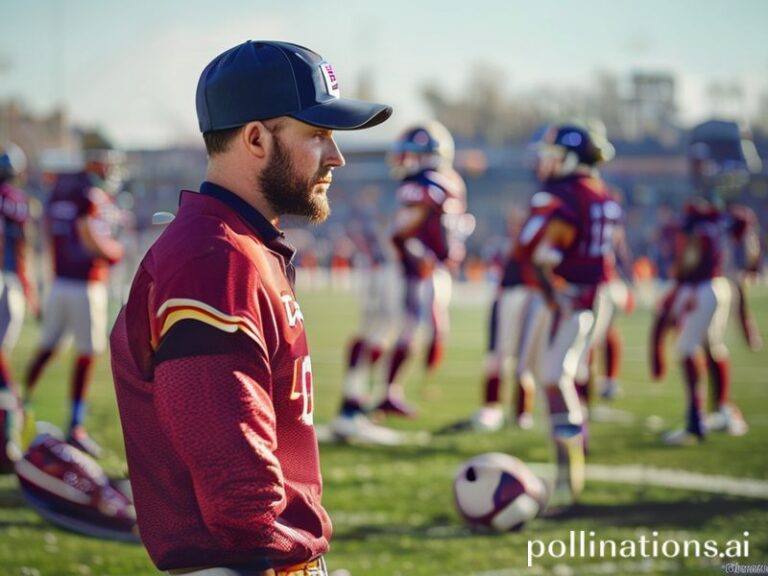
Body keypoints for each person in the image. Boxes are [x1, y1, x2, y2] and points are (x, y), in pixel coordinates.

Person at [110, 40, 391, 575]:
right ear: (256, 137)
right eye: (318, 134)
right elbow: (239, 494)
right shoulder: (212, 259)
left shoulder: (241, 245)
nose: (337, 156)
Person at [517, 123, 619, 505]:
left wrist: (549, 281)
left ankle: (568, 475)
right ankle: (574, 455)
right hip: (592, 293)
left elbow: (530, 246)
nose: (547, 163)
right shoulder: (601, 193)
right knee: (560, 374)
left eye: (555, 155)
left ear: (573, 158)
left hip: (575, 296)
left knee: (553, 376)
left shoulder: (565, 196)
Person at [651, 120, 760, 443]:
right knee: (712, 348)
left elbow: (692, 255)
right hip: (713, 286)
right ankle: (723, 410)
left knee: (687, 349)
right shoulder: (721, 213)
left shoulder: (708, 214)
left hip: (705, 286)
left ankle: (695, 420)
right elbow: (748, 252)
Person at [22, 148, 125, 458]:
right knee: (87, 353)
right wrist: (112, 252)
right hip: (85, 284)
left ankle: (17, 403)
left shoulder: (59, 192)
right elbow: (87, 234)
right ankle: (76, 427)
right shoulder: (87, 193)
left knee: (49, 346)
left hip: (60, 283)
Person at [376, 121, 473, 417]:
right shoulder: (452, 181)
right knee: (416, 330)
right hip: (433, 266)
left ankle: (389, 391)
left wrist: (407, 247)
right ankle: (390, 392)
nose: (403, 160)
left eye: (409, 153)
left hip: (423, 268)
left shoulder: (423, 186)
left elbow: (401, 231)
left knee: (412, 330)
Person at [329, 185, 403, 445]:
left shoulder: (367, 215)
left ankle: (355, 397)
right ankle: (352, 400)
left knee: (382, 333)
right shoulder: (369, 216)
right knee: (375, 331)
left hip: (379, 271)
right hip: (377, 272)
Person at [0, 142, 37, 472]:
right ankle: (10, 433)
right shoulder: (17, 201)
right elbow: (21, 248)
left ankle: (9, 434)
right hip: (8, 281)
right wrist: (30, 291)